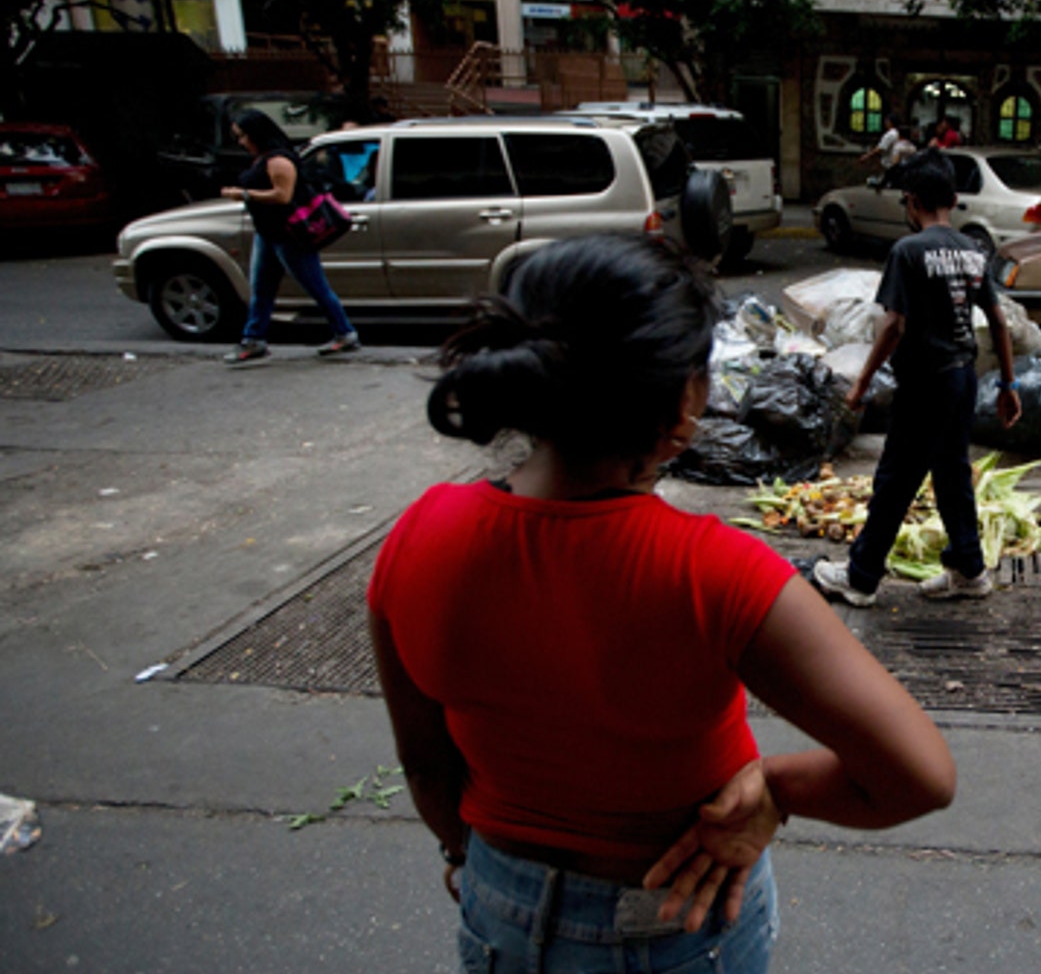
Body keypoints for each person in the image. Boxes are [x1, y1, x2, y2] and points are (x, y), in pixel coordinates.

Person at [369, 235, 956, 973]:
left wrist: (466, 857)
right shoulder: (717, 572)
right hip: (670, 922)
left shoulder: (419, 534)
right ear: (685, 403)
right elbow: (920, 776)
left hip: (497, 904)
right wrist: (777, 787)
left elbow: (425, 766)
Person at [814, 149, 1021, 606]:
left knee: (896, 478)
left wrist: (861, 383)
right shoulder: (972, 250)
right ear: (951, 199)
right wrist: (1008, 385)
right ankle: (969, 570)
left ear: (911, 201)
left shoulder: (907, 251)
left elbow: (893, 326)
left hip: (926, 383)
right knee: (951, 474)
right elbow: (999, 321)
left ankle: (861, 577)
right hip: (964, 378)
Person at [218, 109, 358, 364]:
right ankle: (254, 339)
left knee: (315, 285)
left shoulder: (278, 161)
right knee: (261, 289)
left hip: (289, 234)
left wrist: (245, 194)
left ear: (256, 134)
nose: (241, 142)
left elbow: (283, 195)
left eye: (243, 136)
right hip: (269, 234)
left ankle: (345, 332)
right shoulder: (262, 159)